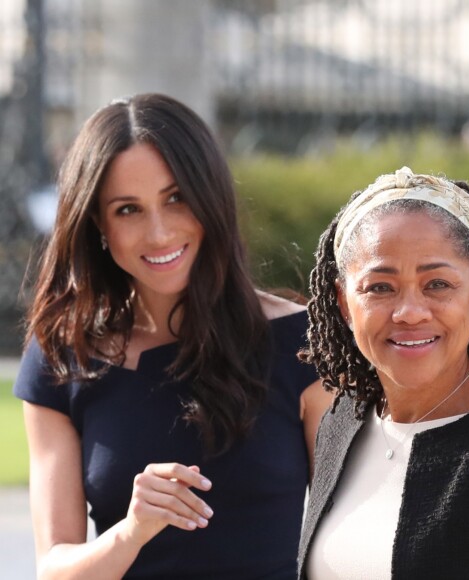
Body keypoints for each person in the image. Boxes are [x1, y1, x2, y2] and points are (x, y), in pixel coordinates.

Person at [13, 92, 331, 579]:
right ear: (97, 223)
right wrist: (131, 530)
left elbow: (356, 544)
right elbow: (54, 570)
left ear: (210, 198)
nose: (159, 233)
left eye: (176, 198)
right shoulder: (63, 354)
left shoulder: (305, 344)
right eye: (127, 210)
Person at [298, 166, 469, 579]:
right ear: (343, 302)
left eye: (437, 285)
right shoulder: (340, 426)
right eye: (380, 287)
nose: (410, 312)